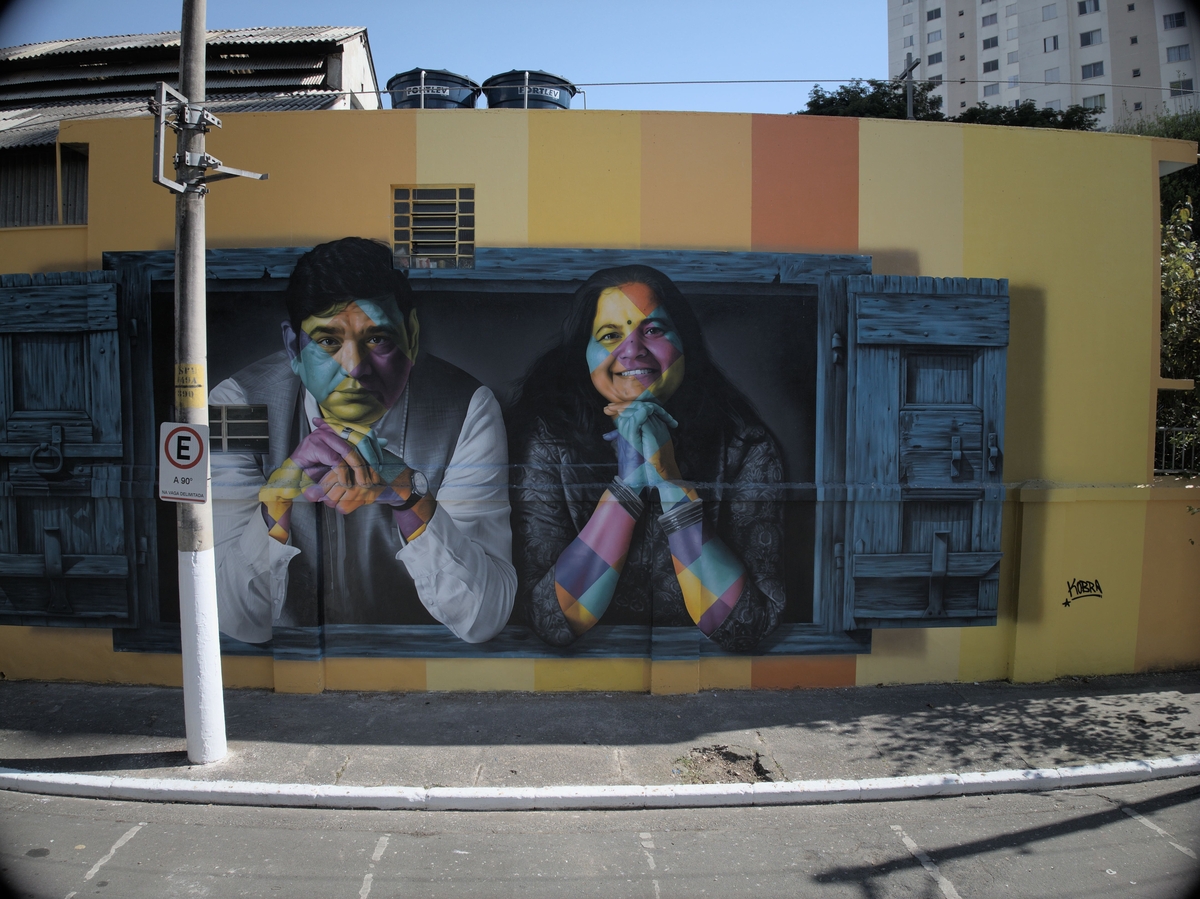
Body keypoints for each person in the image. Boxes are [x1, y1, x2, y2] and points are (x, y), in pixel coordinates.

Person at [211, 237, 515, 645]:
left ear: (412, 335)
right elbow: (235, 619)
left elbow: (483, 617)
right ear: (292, 348)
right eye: (328, 341)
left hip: (420, 671)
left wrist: (410, 496)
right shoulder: (236, 404)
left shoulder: (467, 408)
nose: (354, 368)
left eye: (378, 339)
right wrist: (276, 504)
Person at [508, 264, 786, 653]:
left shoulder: (745, 445)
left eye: (653, 330)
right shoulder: (547, 440)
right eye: (610, 335)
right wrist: (628, 486)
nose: (633, 349)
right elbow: (552, 619)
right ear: (583, 356)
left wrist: (669, 480)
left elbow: (743, 626)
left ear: (684, 342)